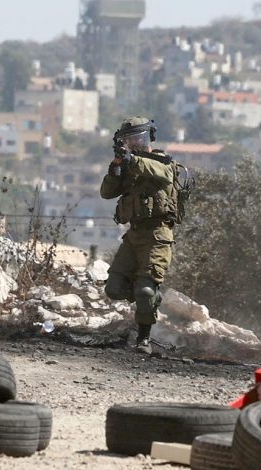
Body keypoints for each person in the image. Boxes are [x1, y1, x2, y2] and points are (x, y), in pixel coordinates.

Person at [100, 117, 179, 355]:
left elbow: (164, 174)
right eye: (129, 139)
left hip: (158, 234)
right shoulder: (127, 166)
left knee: (144, 293)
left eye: (138, 138)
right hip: (134, 234)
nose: (134, 143)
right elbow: (106, 193)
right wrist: (115, 169)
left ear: (148, 138)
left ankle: (143, 338)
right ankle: (147, 295)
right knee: (113, 288)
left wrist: (133, 160)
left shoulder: (161, 161)